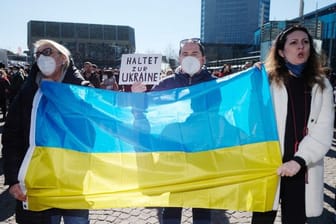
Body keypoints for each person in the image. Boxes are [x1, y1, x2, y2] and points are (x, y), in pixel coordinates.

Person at [251, 25, 334, 224]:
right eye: (294, 43)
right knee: (261, 219)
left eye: (305, 42)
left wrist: (298, 160)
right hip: (269, 164)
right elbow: (250, 117)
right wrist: (253, 79)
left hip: (302, 166)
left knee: (295, 219)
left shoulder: (322, 85)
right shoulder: (267, 81)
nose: (301, 47)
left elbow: (323, 130)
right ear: (281, 51)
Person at [2, 39, 90, 224]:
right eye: (38, 54)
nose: (42, 57)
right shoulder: (27, 94)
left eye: (47, 51)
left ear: (63, 57)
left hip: (73, 181)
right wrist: (12, 180)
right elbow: (11, 138)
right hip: (38, 184)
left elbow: (99, 128)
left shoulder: (82, 92)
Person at [132, 38, 214, 224]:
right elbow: (145, 113)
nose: (189, 57)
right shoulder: (165, 84)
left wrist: (255, 75)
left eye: (194, 54)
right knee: (171, 211)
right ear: (178, 58)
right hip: (172, 155)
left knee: (202, 211)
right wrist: (138, 97)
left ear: (203, 59)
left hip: (203, 156)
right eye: (185, 54)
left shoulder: (216, 84)